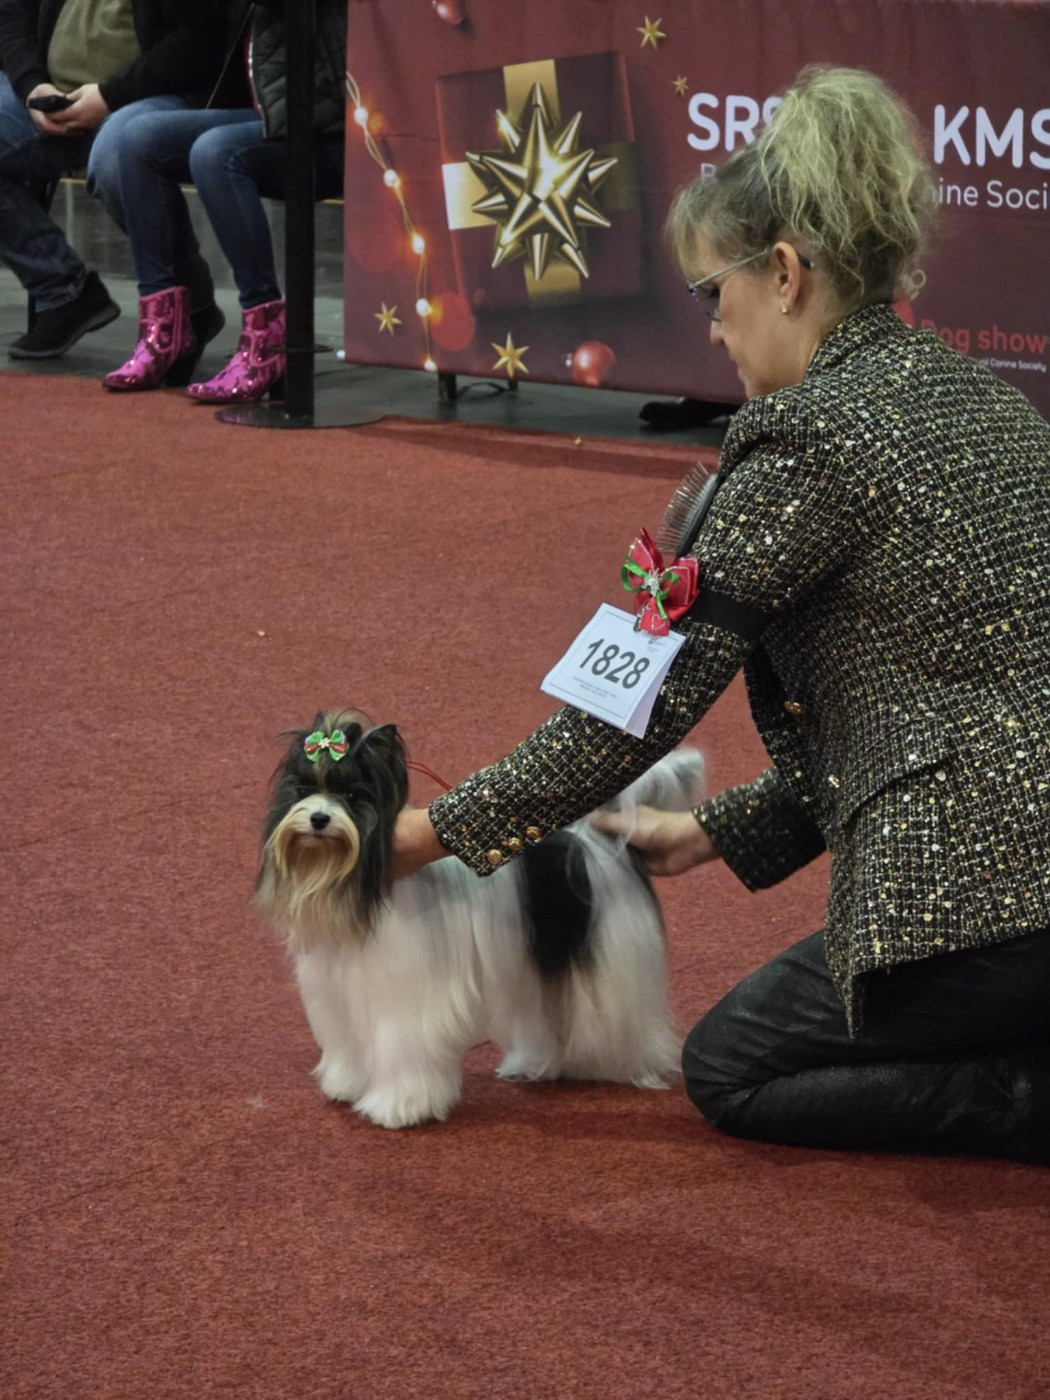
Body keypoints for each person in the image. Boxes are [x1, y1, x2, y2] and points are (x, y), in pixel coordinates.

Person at [392, 66, 1050, 1162]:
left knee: (732, 1065)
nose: (712, 331)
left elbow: (632, 709)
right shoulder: (992, 401)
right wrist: (708, 832)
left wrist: (423, 835)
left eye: (712, 294)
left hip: (992, 910)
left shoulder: (804, 441)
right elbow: (931, 713)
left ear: (784, 274)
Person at [90, 0, 346, 402]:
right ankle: (166, 332)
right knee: (136, 140)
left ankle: (266, 338)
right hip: (276, 106)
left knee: (216, 153)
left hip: (336, 116)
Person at [0, 0, 229, 360]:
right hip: (52, 93)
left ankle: (187, 297)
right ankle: (64, 292)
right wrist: (32, 86)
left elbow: (201, 41)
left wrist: (109, 97)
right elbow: (10, 15)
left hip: (150, 95)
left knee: (120, 150)